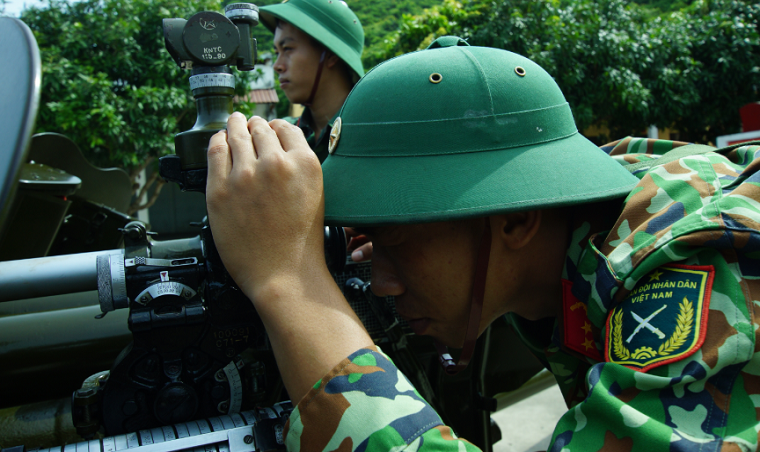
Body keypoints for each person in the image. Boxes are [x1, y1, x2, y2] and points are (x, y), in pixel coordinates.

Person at [206, 36, 760, 450]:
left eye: (397, 234)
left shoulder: (688, 268)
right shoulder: (575, 215)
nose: (380, 277)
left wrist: (290, 283)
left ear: (518, 219)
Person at [258, 0, 364, 163]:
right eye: (277, 52)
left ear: (330, 54)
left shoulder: (373, 133)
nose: (277, 66)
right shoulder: (278, 137)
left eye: (288, 49)